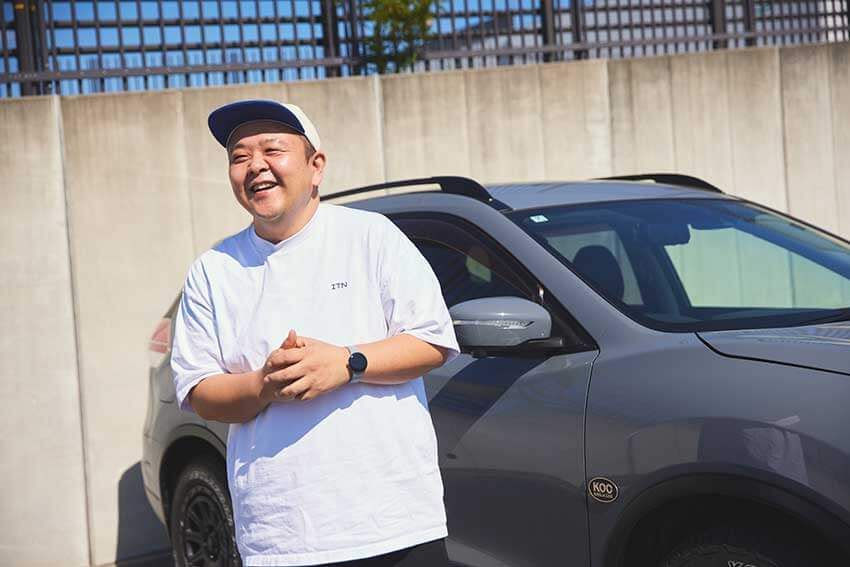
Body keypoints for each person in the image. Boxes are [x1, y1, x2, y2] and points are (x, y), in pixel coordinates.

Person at [170, 99, 459, 566]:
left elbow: (432, 341)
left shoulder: (371, 237)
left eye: (272, 150)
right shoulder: (214, 270)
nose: (255, 166)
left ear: (316, 165)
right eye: (240, 157)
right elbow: (200, 391)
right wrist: (263, 385)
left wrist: (347, 363)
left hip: (394, 524)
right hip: (280, 537)